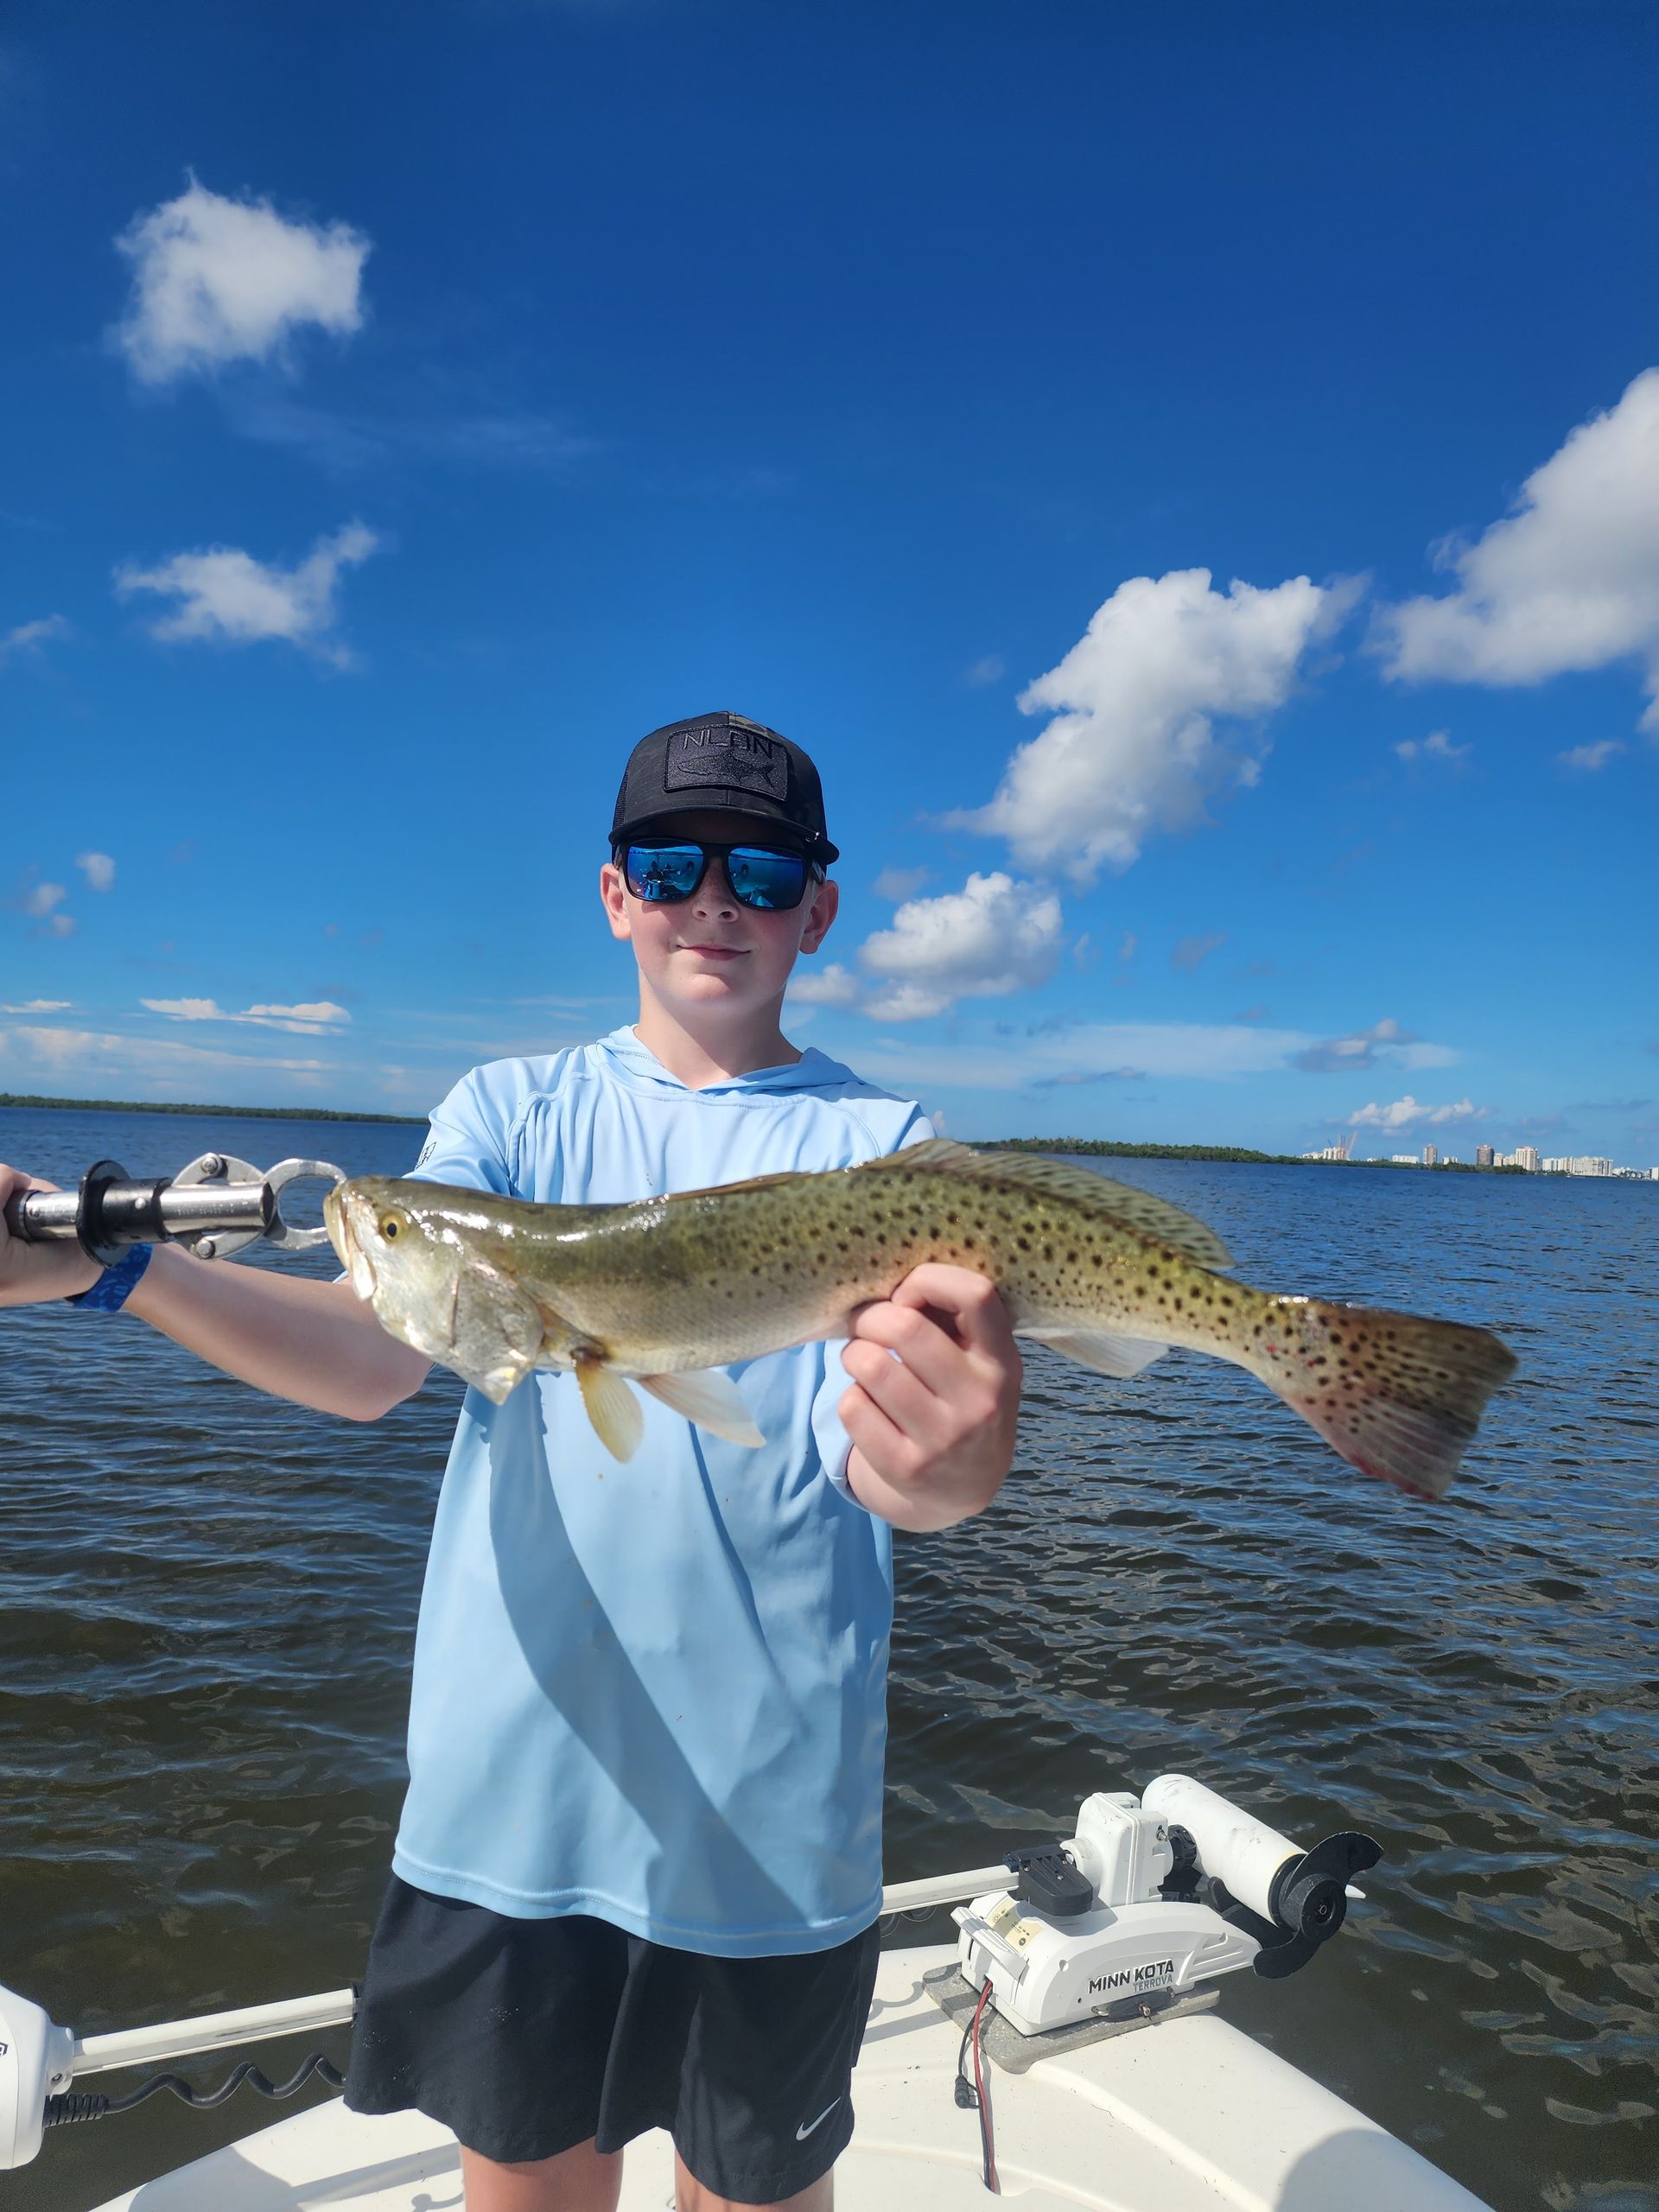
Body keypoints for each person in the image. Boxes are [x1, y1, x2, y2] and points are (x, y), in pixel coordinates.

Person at [0, 710, 1023, 2212]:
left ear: (818, 906)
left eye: (760, 868)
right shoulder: (507, 1115)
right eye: (671, 864)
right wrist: (109, 1266)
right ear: (616, 893)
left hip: (769, 1829)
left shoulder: (887, 1149)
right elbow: (375, 1349)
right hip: (515, 1809)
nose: (713, 900)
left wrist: (963, 1462)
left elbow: (894, 1474)